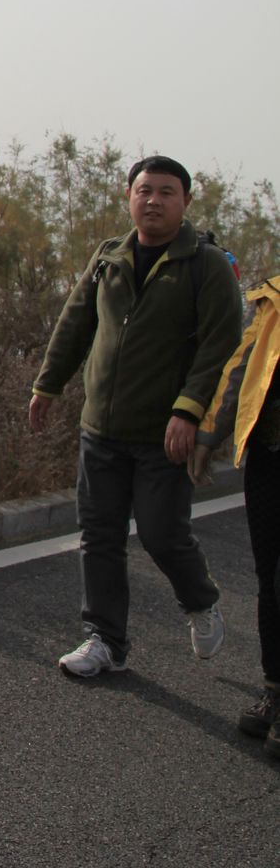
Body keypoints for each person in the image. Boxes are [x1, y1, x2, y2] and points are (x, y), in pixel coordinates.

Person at [28, 155, 243, 679]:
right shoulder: (109, 258)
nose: (153, 200)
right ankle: (106, 640)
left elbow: (221, 346)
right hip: (100, 427)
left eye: (167, 192)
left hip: (163, 433)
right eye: (144, 190)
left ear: (186, 202)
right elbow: (75, 323)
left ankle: (200, 601)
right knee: (98, 534)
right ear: (129, 197)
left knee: (160, 533)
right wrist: (47, 384)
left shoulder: (206, 266)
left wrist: (189, 412)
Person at [191, 272, 280, 751]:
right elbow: (239, 372)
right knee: (269, 580)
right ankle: (273, 692)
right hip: (268, 459)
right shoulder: (271, 300)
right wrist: (208, 436)